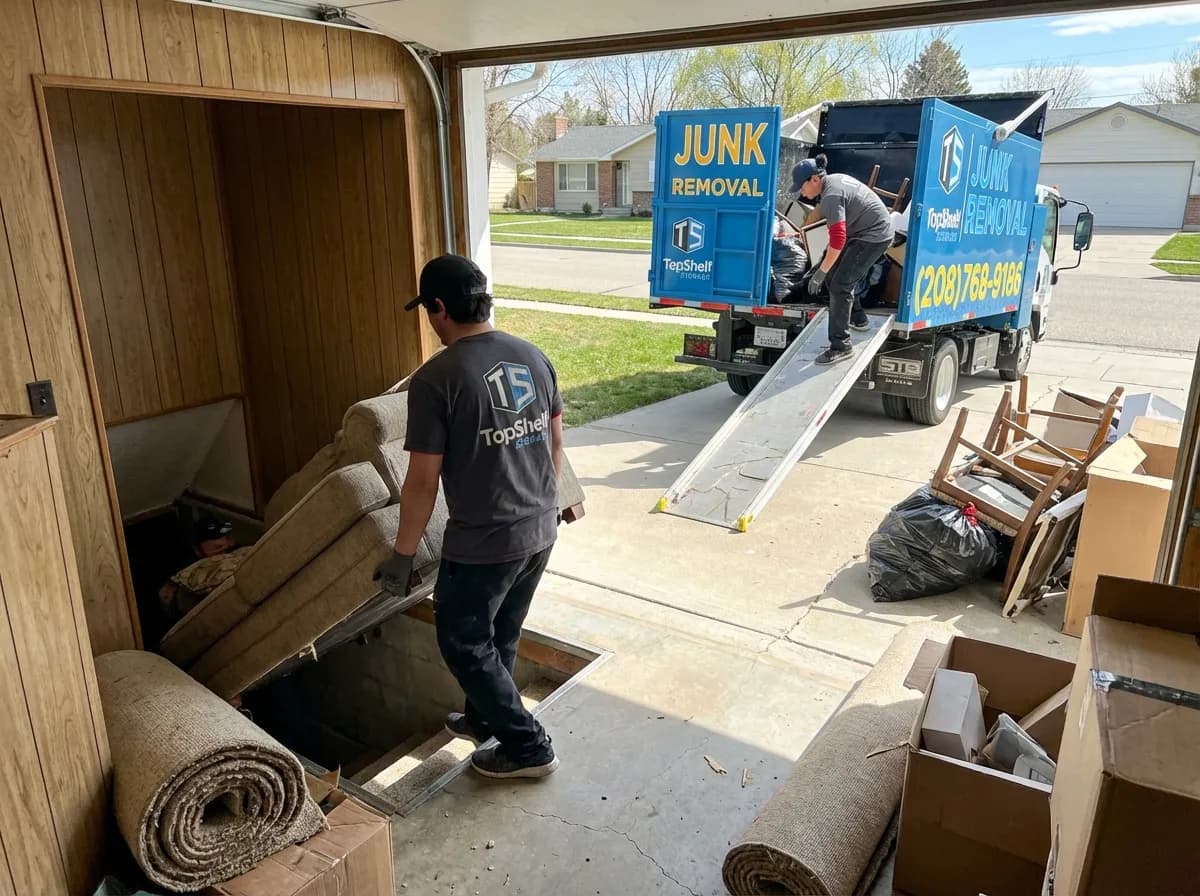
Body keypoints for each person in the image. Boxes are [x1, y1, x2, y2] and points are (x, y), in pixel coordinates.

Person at [374, 254, 563, 779]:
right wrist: (549, 503)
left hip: (485, 543)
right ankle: (485, 719)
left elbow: (422, 481)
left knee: (462, 641)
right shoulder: (533, 356)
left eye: (428, 312)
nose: (430, 323)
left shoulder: (437, 379)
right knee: (501, 632)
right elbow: (553, 444)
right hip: (539, 531)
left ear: (439, 308)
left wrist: (402, 556)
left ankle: (529, 747)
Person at [791, 154, 895, 365]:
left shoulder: (830, 196)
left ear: (814, 179)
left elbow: (838, 240)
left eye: (801, 187)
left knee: (840, 284)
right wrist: (824, 269)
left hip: (874, 236)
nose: (801, 193)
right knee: (835, 279)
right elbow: (838, 238)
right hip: (860, 232)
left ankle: (841, 346)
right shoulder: (832, 183)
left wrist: (820, 272)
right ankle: (858, 318)